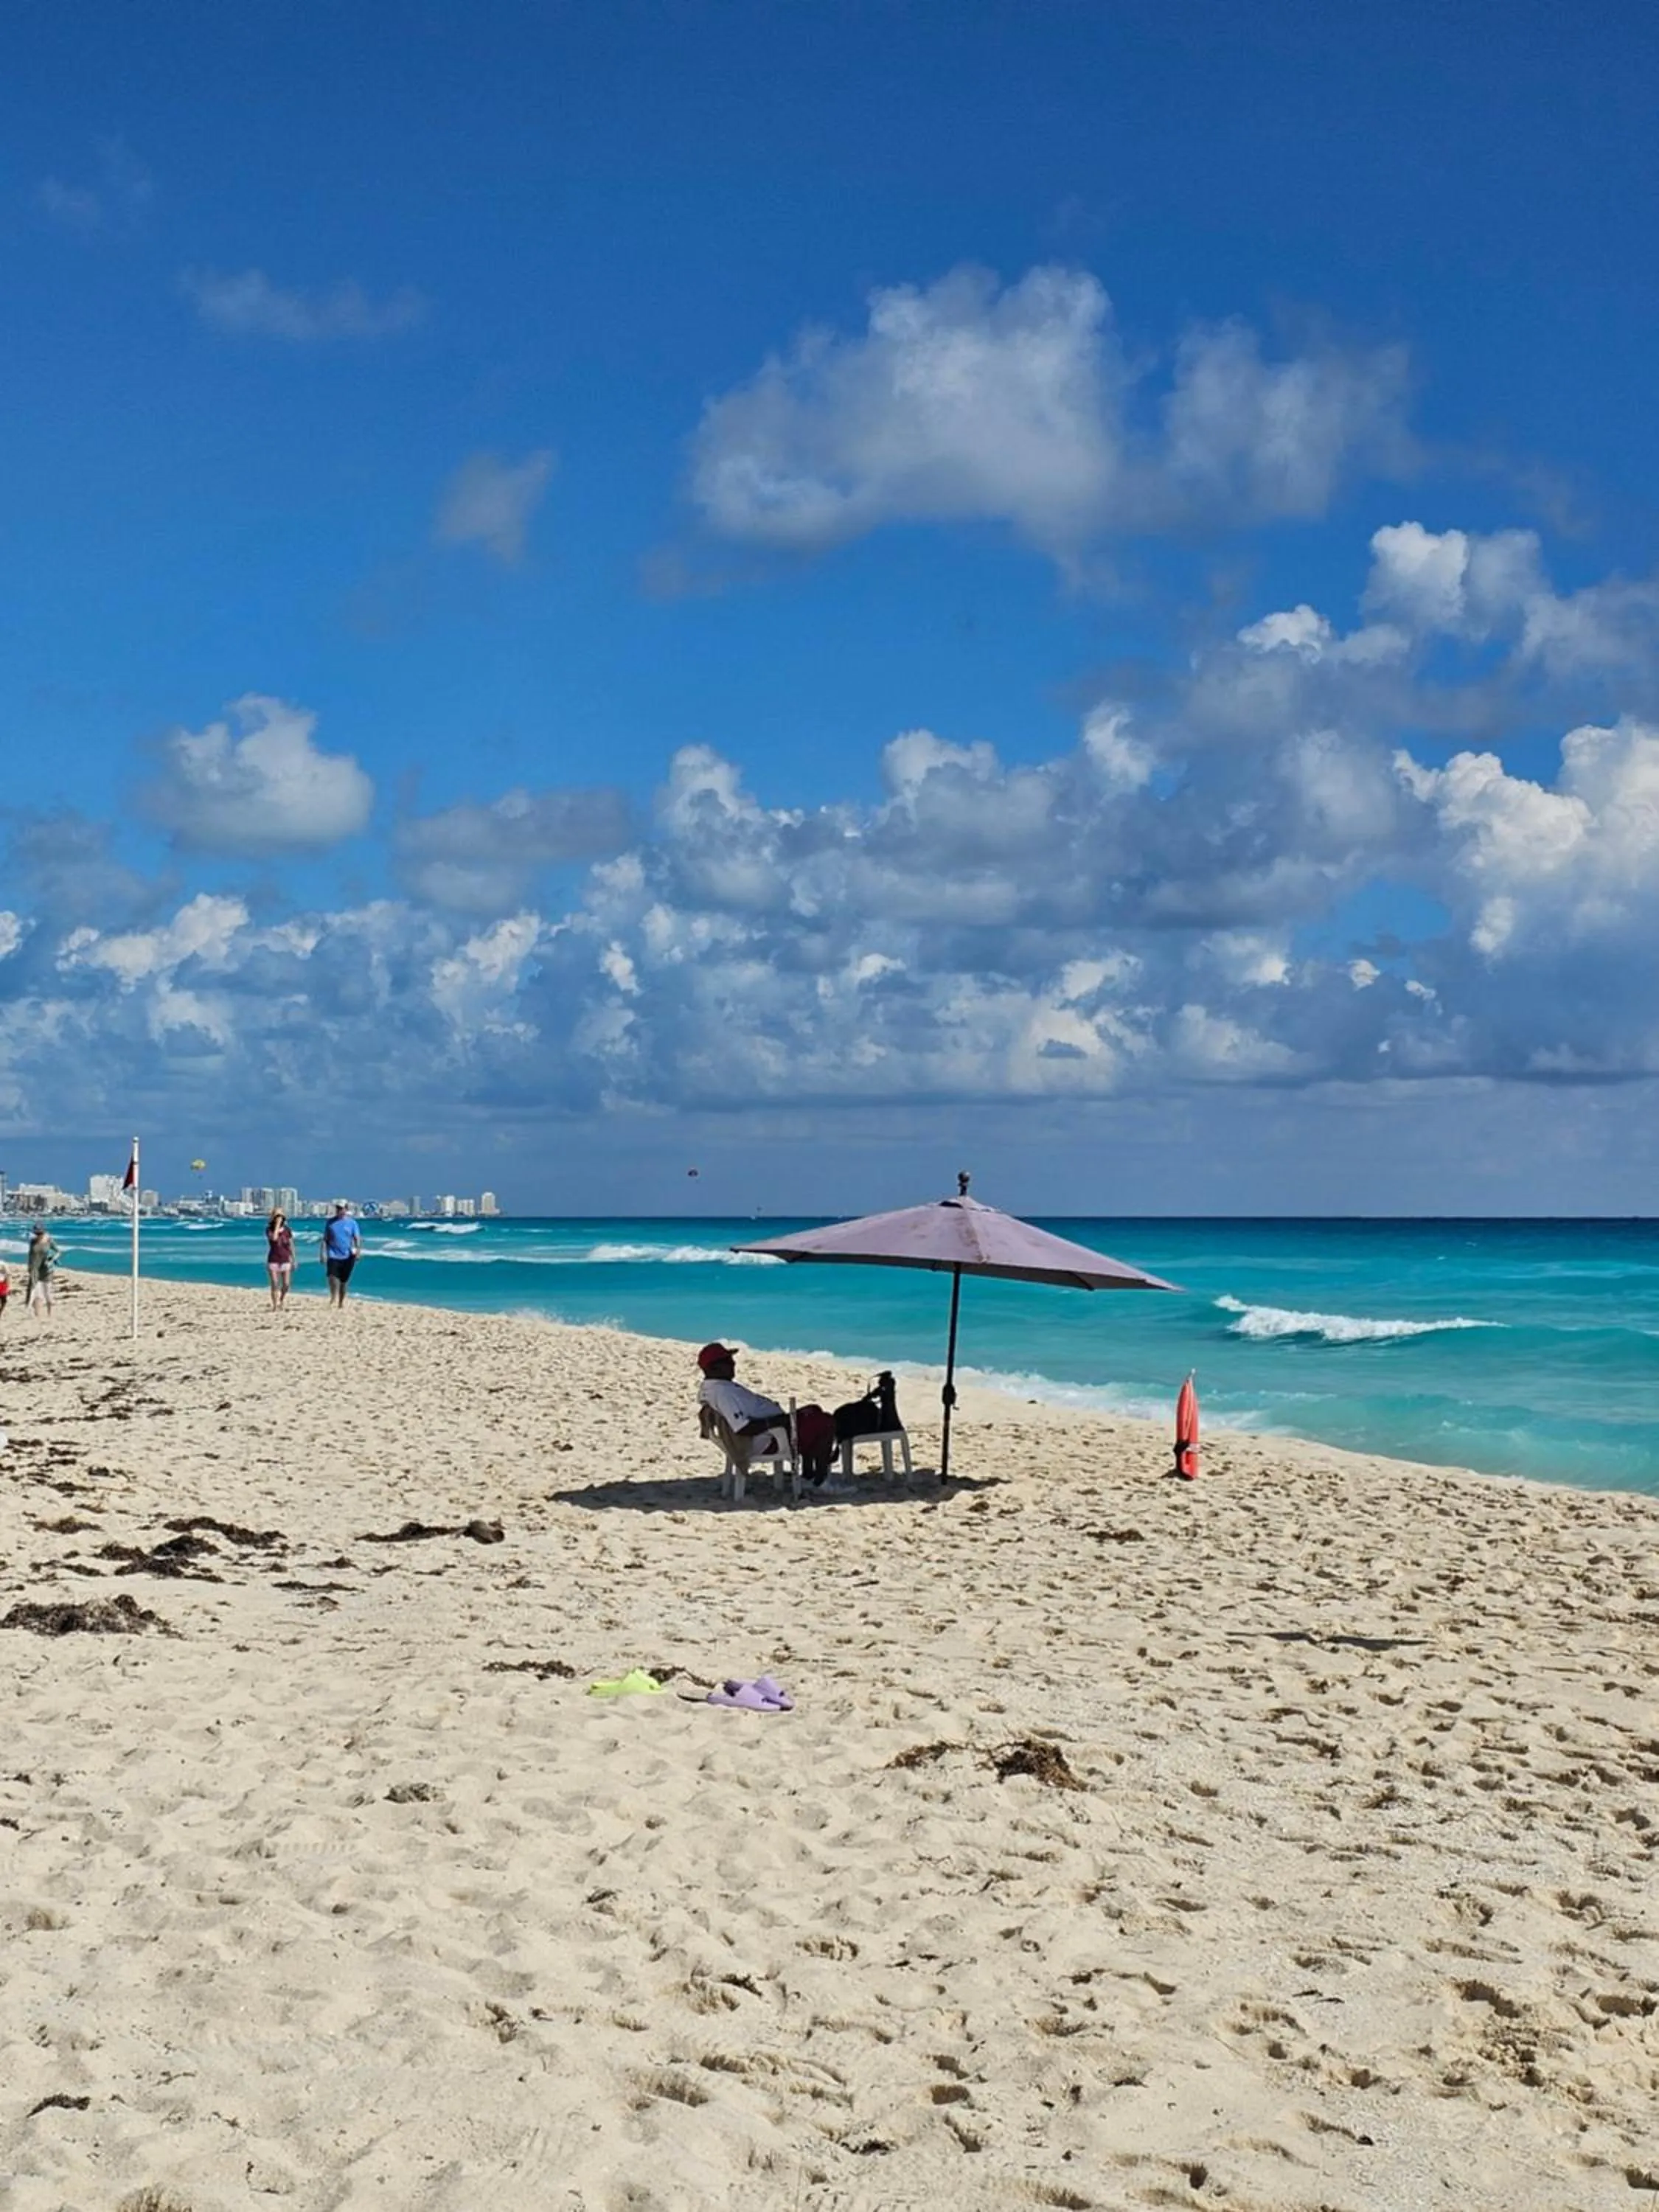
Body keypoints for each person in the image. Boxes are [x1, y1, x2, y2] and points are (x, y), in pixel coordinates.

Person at [695, 1343, 849, 1493]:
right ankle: (820, 1480)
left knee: (813, 1410)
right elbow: (742, 1427)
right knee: (825, 1422)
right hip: (769, 1438)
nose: (733, 1363)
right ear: (713, 1368)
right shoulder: (723, 1394)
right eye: (727, 1361)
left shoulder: (715, 1387)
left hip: (771, 1430)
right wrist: (776, 1422)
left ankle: (808, 1475)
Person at [320, 1200, 362, 1309]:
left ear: (346, 1209)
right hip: (333, 1254)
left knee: (344, 1280)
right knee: (332, 1276)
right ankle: (333, 1296)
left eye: (342, 1208)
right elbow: (325, 1239)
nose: (340, 1210)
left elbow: (357, 1238)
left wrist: (358, 1251)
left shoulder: (352, 1223)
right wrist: (323, 1254)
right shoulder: (330, 1223)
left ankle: (341, 1302)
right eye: (338, 1208)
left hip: (348, 1255)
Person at [25, 1223, 60, 1318]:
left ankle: (50, 1314)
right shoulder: (33, 1241)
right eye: (36, 1233)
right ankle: (38, 1315)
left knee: (47, 1292)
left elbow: (58, 1251)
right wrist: (29, 1266)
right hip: (35, 1269)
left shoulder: (49, 1240)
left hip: (47, 1269)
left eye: (40, 1233)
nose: (38, 1235)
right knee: (36, 1292)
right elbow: (31, 1255)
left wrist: (52, 1260)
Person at [265, 1209, 295, 1311]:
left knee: (286, 1284)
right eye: (277, 1217)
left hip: (285, 1259)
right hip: (273, 1259)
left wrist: (294, 1259)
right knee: (274, 1283)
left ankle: (281, 1299)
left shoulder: (287, 1230)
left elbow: (291, 1245)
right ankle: (274, 1305)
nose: (279, 1219)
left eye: (281, 1217)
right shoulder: (269, 1229)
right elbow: (274, 1238)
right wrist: (277, 1225)